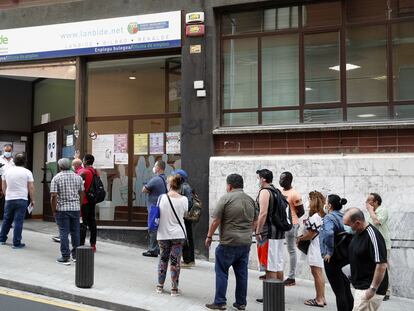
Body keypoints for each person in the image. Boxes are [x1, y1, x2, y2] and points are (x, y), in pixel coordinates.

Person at [205, 174, 256, 311]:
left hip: (228, 243)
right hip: (245, 243)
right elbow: (256, 222)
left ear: (229, 185)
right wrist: (248, 233)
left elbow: (216, 220)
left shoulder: (226, 198)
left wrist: (209, 236)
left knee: (221, 271)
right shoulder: (251, 200)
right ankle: (241, 303)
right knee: (242, 274)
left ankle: (220, 302)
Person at [344, 208, 388, 311]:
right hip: (361, 287)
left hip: (369, 289)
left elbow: (381, 265)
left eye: (348, 225)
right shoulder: (358, 233)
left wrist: (372, 289)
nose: (346, 228)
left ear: (358, 223)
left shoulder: (372, 235)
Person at [255, 169, 285, 304]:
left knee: (270, 265)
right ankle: (278, 294)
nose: (258, 180)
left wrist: (258, 231)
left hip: (268, 233)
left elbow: (263, 213)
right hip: (279, 233)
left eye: (258, 178)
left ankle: (272, 296)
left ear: (263, 179)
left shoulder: (265, 192)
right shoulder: (277, 191)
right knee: (277, 264)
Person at [319, 194, 353, 311]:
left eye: (326, 202)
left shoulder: (329, 217)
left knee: (339, 291)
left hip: (332, 258)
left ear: (330, 205)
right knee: (346, 288)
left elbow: (328, 233)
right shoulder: (343, 216)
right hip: (344, 256)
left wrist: (329, 251)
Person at [156, 174, 188, 297]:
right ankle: (174, 289)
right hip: (178, 234)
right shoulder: (184, 199)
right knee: (175, 261)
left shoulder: (161, 198)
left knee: (163, 259)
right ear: (180, 186)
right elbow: (185, 213)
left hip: (163, 233)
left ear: (169, 185)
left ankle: (160, 286)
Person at [50, 158, 84, 265]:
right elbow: (82, 193)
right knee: (75, 232)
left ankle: (65, 257)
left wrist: (54, 210)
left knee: (63, 232)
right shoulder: (78, 177)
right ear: (70, 166)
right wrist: (79, 204)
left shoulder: (56, 178)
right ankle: (76, 256)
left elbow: (53, 196)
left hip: (62, 209)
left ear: (60, 167)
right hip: (75, 209)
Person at [297, 191, 326, 307]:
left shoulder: (315, 217)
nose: (307, 202)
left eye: (309, 199)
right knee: (319, 273)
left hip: (315, 247)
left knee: (317, 273)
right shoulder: (321, 215)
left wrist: (300, 238)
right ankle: (321, 298)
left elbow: (311, 234)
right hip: (320, 246)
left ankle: (319, 299)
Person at [0, 153, 34, 248]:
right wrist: (32, 199)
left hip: (9, 198)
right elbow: (31, 187)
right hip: (22, 198)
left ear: (14, 161)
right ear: (25, 161)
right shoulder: (27, 172)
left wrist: (7, 195)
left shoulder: (7, 172)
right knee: (18, 221)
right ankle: (16, 243)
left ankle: (2, 239)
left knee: (7, 219)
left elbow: (3, 186)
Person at [365, 193, 391, 301]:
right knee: (374, 267)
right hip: (373, 243)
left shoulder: (382, 210)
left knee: (384, 267)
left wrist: (370, 210)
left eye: (369, 200)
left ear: (376, 202)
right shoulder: (370, 214)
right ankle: (375, 289)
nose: (367, 202)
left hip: (383, 244)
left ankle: (386, 292)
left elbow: (377, 222)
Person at [279, 171, 303, 286]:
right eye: (280, 178)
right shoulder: (280, 192)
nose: (280, 181)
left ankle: (291, 277)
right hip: (282, 225)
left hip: (291, 225)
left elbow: (301, 211)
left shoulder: (295, 194)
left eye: (283, 179)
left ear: (289, 180)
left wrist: (291, 221)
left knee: (291, 250)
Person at [142, 160, 167, 257]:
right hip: (163, 206)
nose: (154, 167)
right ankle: (159, 248)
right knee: (160, 228)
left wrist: (147, 186)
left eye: (155, 166)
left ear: (158, 168)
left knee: (153, 228)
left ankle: (152, 250)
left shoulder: (155, 179)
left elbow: (144, 189)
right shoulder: (165, 178)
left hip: (154, 208)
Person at [173, 169, 195, 268]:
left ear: (180, 178)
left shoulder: (184, 187)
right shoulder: (186, 186)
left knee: (185, 237)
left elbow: (189, 203)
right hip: (186, 216)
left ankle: (187, 261)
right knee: (188, 237)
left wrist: (181, 210)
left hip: (184, 216)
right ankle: (191, 260)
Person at [78, 154, 98, 252]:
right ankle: (93, 244)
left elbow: (78, 186)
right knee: (92, 222)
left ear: (85, 161)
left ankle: (80, 244)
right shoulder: (95, 171)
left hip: (84, 200)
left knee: (83, 222)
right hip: (92, 200)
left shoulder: (83, 172)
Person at [0, 144, 15, 216]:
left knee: (10, 202)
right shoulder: (0, 159)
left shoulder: (14, 160)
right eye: (6, 151)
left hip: (12, 183)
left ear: (12, 151)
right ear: (3, 150)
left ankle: (9, 218)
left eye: (9, 151)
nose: (7, 152)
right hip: (1, 182)